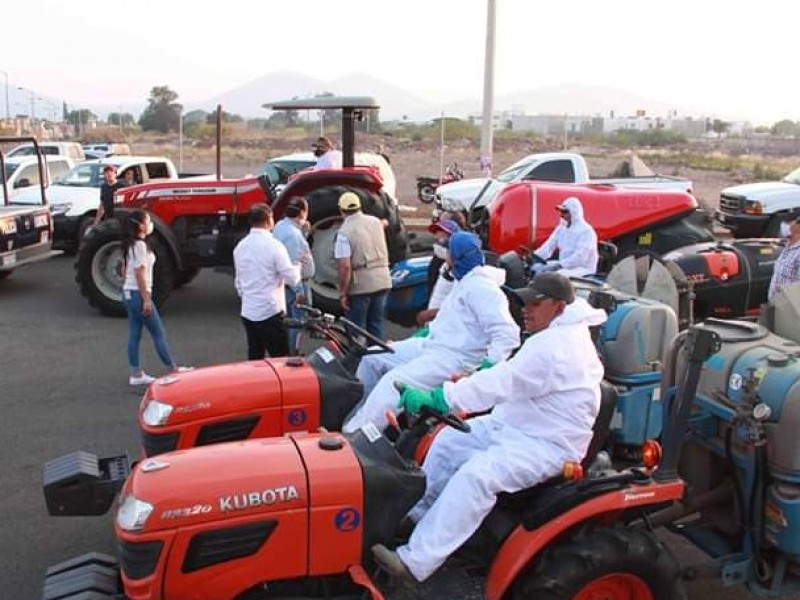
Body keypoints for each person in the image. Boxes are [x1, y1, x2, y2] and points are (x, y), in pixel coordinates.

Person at [371, 273, 607, 585]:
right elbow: (510, 375)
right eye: (525, 301)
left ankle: (413, 562)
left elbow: (504, 382)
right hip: (515, 424)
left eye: (535, 303)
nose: (526, 308)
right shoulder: (555, 334)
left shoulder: (558, 345)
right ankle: (416, 515)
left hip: (547, 443)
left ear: (560, 307)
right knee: (448, 441)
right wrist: (475, 378)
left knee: (478, 476)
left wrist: (441, 397)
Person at [343, 231, 520, 433]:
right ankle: (355, 414)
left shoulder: (482, 288)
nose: (446, 257)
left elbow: (507, 334)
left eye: (449, 253)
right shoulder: (463, 281)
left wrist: (486, 367)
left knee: (392, 383)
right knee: (373, 356)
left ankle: (355, 435)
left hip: (454, 358)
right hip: (433, 345)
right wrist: (422, 335)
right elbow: (450, 323)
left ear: (456, 257)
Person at [121, 209, 190, 386]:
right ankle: (172, 369)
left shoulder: (129, 245)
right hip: (138, 293)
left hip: (129, 293)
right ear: (142, 226)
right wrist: (146, 299)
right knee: (158, 333)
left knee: (135, 334)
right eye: (148, 220)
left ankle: (136, 373)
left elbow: (124, 271)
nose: (151, 223)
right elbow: (140, 274)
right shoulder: (140, 246)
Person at [233, 204, 301, 359]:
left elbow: (239, 282)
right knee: (281, 360)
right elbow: (292, 278)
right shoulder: (275, 246)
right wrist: (298, 267)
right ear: (269, 220)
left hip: (248, 312)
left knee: (255, 359)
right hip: (271, 312)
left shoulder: (240, 247)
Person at [335, 192, 392, 340]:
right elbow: (384, 223)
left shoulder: (343, 233)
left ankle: (358, 362)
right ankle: (377, 359)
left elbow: (345, 266)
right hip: (383, 279)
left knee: (356, 330)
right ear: (360, 206)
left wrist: (343, 292)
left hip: (361, 286)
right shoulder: (375, 222)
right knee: (376, 325)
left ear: (341, 210)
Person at [273, 198, 315, 354]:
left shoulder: (281, 226)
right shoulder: (293, 235)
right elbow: (293, 264)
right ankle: (294, 353)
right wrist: (299, 291)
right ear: (302, 212)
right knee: (299, 322)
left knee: (291, 321)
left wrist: (304, 231)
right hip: (298, 283)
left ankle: (291, 351)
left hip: (287, 283)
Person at [532, 196, 599, 277]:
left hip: (582, 269)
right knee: (537, 268)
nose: (561, 214)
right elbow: (549, 246)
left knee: (557, 275)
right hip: (564, 265)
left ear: (574, 212)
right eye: (560, 211)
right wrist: (534, 257)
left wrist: (559, 265)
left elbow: (580, 258)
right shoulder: (561, 228)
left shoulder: (586, 231)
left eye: (564, 212)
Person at [416, 218, 461, 327]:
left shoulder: (460, 271)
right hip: (434, 321)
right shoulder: (442, 265)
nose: (437, 237)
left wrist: (432, 313)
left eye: (442, 234)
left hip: (445, 323)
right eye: (436, 233)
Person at [768, 210, 800, 301]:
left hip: (788, 309)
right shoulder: (787, 246)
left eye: (788, 223)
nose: (784, 226)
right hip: (775, 305)